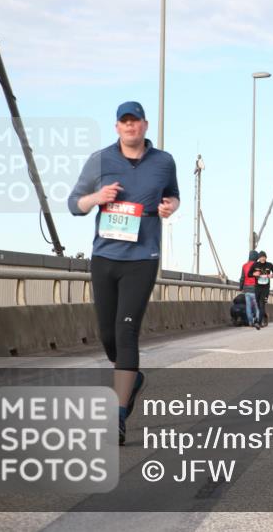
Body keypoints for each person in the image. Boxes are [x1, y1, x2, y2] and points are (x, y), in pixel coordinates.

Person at [68, 101, 180, 446]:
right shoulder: (100, 160)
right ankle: (132, 379)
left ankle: (117, 414)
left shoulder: (164, 161)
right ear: (117, 127)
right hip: (105, 257)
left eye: (136, 121)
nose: (130, 127)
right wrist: (97, 197)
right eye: (124, 122)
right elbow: (74, 204)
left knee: (126, 330)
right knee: (108, 335)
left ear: (145, 125)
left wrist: (170, 207)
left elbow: (173, 195)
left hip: (143, 258)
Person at [251, 251, 273, 327]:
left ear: (266, 257)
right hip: (257, 287)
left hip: (266, 288)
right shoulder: (255, 265)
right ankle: (264, 316)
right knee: (259, 305)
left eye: (264, 257)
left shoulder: (269, 265)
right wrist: (254, 274)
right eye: (261, 257)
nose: (262, 258)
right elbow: (249, 274)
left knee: (262, 304)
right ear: (259, 258)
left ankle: (259, 323)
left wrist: (271, 275)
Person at [238, 250, 261, 329]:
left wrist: (240, 288)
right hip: (255, 289)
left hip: (247, 290)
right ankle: (257, 321)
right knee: (257, 307)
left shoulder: (244, 266)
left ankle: (250, 322)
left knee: (248, 306)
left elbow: (242, 278)